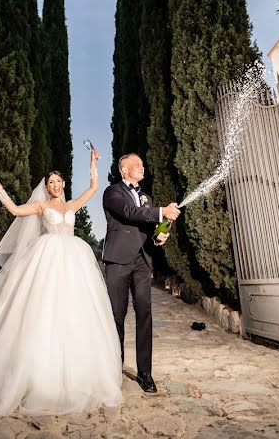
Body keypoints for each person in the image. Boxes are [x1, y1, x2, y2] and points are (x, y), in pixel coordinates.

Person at [0, 149, 122, 416]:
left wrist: (92, 163)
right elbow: (16, 211)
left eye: (58, 181)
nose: (55, 185)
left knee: (74, 311)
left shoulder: (71, 205)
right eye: (50, 182)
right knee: (38, 309)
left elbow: (94, 187)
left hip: (73, 260)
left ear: (63, 184)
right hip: (46, 259)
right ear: (46, 186)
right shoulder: (42, 206)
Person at [102, 153, 180, 393]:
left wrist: (160, 236)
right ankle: (114, 369)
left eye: (142, 164)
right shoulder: (112, 192)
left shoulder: (147, 197)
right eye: (137, 164)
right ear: (124, 170)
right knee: (116, 315)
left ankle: (145, 373)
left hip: (143, 262)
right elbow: (128, 212)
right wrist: (161, 212)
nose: (142, 167)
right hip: (118, 260)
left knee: (144, 313)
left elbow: (149, 227)